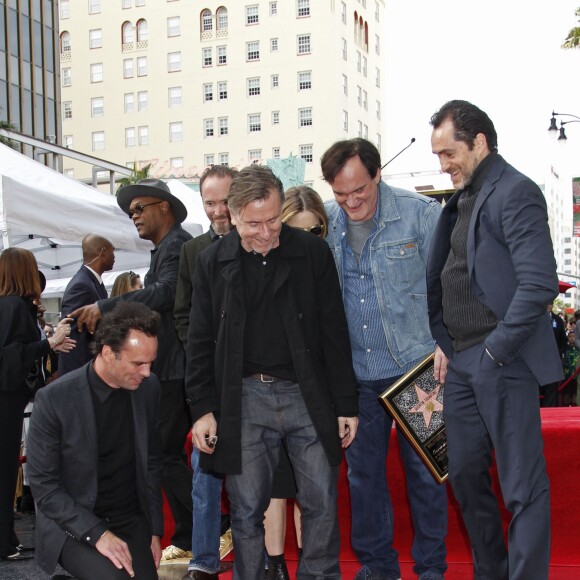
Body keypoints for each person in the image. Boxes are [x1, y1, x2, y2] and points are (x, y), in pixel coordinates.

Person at [185, 164, 359, 580]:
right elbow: (199, 340)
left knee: (320, 503)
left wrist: (346, 404)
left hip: (307, 394)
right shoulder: (212, 261)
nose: (265, 233)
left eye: (272, 221)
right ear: (232, 212)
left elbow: (335, 331)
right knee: (246, 510)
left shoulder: (311, 253)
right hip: (243, 398)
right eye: (253, 224)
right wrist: (203, 409)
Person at [427, 100, 562, 579]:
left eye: (448, 153)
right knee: (464, 477)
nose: (442, 165)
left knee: (522, 486)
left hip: (502, 360)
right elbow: (457, 276)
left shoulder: (516, 191)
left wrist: (493, 351)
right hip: (463, 360)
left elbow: (539, 283)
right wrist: (448, 339)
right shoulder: (461, 200)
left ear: (479, 142)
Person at [321, 138, 447, 580]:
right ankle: (378, 566)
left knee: (427, 475)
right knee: (362, 479)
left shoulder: (420, 215)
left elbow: (453, 282)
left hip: (418, 368)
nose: (351, 201)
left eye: (360, 190)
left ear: (377, 175)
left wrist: (445, 344)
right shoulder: (326, 223)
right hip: (356, 377)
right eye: (341, 193)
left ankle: (431, 567)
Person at [69, 178, 194, 563]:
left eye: (140, 208)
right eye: (130, 212)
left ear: (164, 207)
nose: (134, 216)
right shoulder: (166, 249)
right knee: (167, 453)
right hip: (171, 368)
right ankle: (197, 530)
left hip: (177, 369)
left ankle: (194, 533)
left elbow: (165, 294)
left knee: (165, 453)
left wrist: (107, 307)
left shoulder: (177, 247)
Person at [27, 302, 163, 579]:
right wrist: (96, 534)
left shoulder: (148, 389)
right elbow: (44, 485)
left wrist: (154, 530)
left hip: (129, 519)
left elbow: (151, 464)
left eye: (151, 363)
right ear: (108, 354)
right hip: (74, 523)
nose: (147, 372)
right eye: (138, 363)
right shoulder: (55, 399)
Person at [261, 184, 330, 576]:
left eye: (315, 230)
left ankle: (308, 565)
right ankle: (274, 567)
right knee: (274, 483)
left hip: (316, 393)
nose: (307, 240)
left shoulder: (325, 266)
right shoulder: (263, 266)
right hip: (271, 392)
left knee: (312, 487)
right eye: (296, 230)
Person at [174, 164, 237, 579]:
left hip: (254, 379)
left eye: (224, 201)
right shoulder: (192, 252)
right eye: (210, 203)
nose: (218, 211)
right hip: (210, 383)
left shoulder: (261, 240)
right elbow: (182, 316)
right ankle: (203, 560)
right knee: (205, 473)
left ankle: (262, 556)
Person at [0, 248, 73, 562]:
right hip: (6, 399)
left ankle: (6, 539)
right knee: (4, 470)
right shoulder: (13, 306)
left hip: (9, 399)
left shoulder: (11, 305)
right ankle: (3, 542)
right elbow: (12, 356)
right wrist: (49, 342)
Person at [59, 234, 115, 376]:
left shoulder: (92, 282)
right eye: (112, 251)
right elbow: (72, 334)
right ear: (102, 252)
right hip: (79, 369)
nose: (114, 256)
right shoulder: (81, 284)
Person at [540, 303, 567, 406]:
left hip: (553, 360)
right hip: (538, 360)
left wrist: (562, 357)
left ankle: (550, 410)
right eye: (546, 303)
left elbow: (563, 341)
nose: (548, 305)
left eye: (550, 303)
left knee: (551, 390)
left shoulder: (558, 320)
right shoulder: (535, 318)